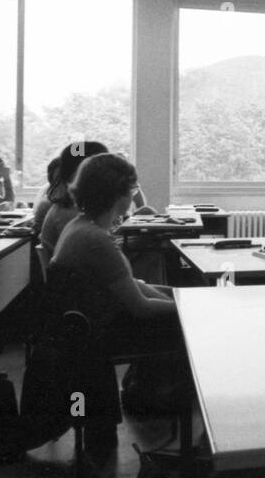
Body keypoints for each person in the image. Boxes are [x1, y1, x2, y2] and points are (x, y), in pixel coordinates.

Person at [48, 153, 186, 454]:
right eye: (132, 190)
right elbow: (140, 308)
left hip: (90, 327)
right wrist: (191, 309)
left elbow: (129, 283)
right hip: (105, 332)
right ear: (119, 194)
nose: (132, 197)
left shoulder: (81, 225)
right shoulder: (96, 239)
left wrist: (175, 294)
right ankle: (193, 431)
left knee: (182, 308)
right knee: (194, 332)